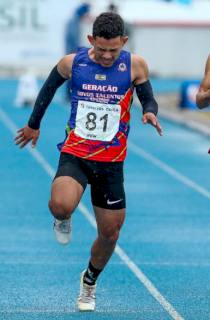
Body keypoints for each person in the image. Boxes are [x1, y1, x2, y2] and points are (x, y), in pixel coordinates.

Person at [15, 12, 162, 312]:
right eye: (101, 49)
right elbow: (47, 89)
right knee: (60, 204)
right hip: (76, 152)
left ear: (124, 41)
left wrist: (149, 111)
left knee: (109, 234)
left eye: (114, 50)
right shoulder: (73, 63)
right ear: (90, 40)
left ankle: (89, 281)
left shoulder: (135, 65)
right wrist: (33, 124)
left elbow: (148, 97)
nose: (107, 56)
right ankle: (63, 217)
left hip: (111, 163)